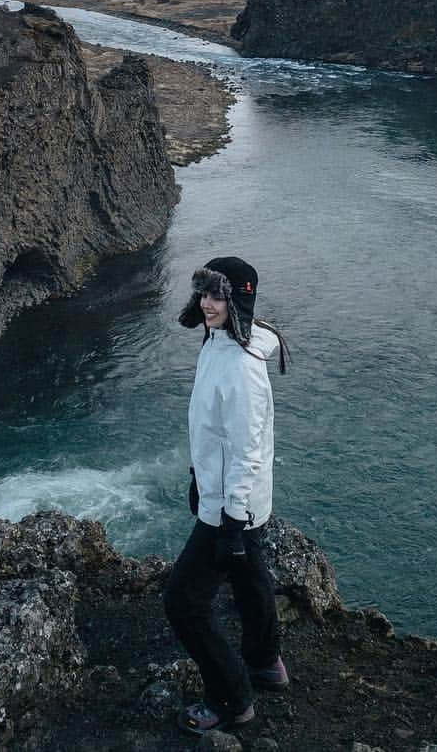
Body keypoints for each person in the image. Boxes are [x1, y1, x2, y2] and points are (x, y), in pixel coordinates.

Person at [163, 255, 291, 736]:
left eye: (218, 294)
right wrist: (201, 477)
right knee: (249, 577)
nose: (207, 303)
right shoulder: (221, 341)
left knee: (183, 603)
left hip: (232, 507)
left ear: (238, 298)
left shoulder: (239, 367)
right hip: (241, 499)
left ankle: (233, 697)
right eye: (203, 292)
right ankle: (264, 663)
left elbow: (246, 449)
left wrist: (231, 522)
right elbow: (218, 435)